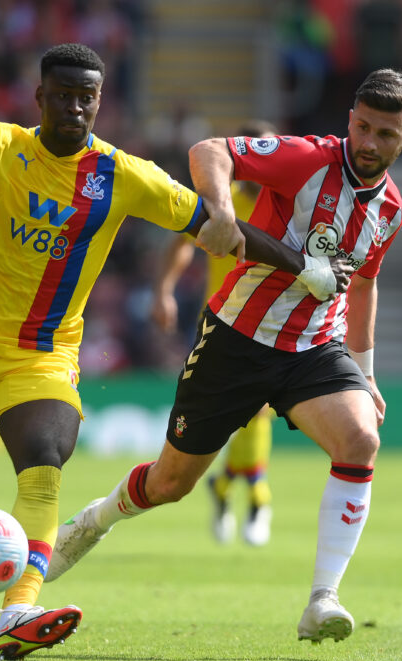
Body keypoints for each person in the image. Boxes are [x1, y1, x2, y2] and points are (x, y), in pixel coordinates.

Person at [0, 43, 345, 661]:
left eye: (86, 97)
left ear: (99, 101)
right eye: (62, 95)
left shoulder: (123, 175)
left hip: (44, 353)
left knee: (45, 459)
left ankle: (19, 610)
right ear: (40, 98)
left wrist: (305, 265)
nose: (74, 107)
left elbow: (215, 226)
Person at [47, 68, 402, 646]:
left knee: (361, 439)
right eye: (363, 127)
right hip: (237, 339)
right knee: (170, 483)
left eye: (386, 134)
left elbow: (364, 286)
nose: (369, 144)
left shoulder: (390, 209)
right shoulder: (307, 159)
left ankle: (323, 600)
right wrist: (221, 209)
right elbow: (209, 150)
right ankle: (94, 522)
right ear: (350, 120)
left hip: (314, 349)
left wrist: (366, 375)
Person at [151, 119, 279, 545]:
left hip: (274, 324)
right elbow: (182, 244)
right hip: (221, 321)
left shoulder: (291, 204)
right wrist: (165, 290)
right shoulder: (223, 204)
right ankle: (231, 488)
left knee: (258, 410)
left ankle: (255, 497)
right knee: (234, 414)